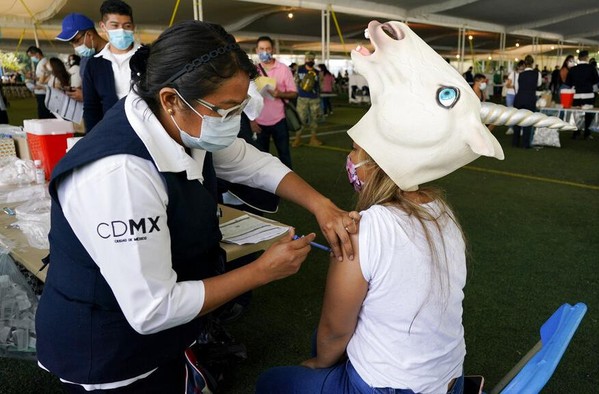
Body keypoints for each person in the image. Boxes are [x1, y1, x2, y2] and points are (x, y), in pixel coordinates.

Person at [35, 20, 359, 392]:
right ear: (172, 99)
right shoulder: (120, 174)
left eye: (239, 107)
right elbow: (153, 309)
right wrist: (261, 272)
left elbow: (252, 162)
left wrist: (322, 205)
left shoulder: (181, 121)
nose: (233, 121)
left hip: (166, 337)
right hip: (109, 350)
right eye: (225, 109)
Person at [256, 19, 504, 394]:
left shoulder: (366, 229)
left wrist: (319, 363)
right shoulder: (442, 211)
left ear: (374, 165)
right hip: (445, 382)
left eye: (356, 150)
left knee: (272, 382)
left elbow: (335, 330)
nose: (350, 157)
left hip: (385, 387)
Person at [82, 0, 140, 132]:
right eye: (115, 26)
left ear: (133, 27)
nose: (122, 31)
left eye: (127, 26)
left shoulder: (147, 58)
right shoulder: (95, 65)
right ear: (103, 26)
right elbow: (91, 107)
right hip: (111, 130)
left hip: (146, 131)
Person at [252, 35, 296, 169]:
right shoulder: (253, 70)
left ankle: (289, 187)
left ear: (273, 50)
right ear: (256, 50)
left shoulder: (283, 69)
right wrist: (251, 121)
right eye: (261, 49)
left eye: (268, 48)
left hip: (279, 120)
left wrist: (279, 94)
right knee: (261, 158)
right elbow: (247, 99)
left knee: (284, 156)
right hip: (258, 123)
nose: (265, 52)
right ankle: (264, 188)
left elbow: (294, 93)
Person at [55, 12, 108, 102]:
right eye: (71, 43)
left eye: (76, 41)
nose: (75, 47)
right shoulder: (85, 58)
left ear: (90, 35)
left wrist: (87, 97)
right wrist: (78, 90)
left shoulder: (113, 56)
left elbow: (118, 94)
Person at [566, 50, 599, 139]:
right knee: (589, 114)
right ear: (587, 57)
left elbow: (568, 82)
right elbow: (596, 80)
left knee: (576, 114)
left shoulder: (573, 69)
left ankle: (576, 132)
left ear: (579, 58)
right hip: (588, 93)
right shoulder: (591, 68)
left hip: (576, 94)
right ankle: (587, 133)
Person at [293, 52, 323, 147]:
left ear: (314, 60)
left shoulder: (317, 72)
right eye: (308, 59)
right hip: (302, 98)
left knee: (314, 119)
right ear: (305, 59)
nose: (309, 61)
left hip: (314, 99)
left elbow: (320, 86)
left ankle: (313, 138)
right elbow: (295, 81)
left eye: (311, 59)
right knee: (301, 118)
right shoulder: (299, 69)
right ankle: (298, 138)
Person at [512, 55, 541, 148]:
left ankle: (515, 142)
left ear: (524, 63)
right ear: (532, 63)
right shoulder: (537, 74)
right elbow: (539, 84)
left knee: (517, 121)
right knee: (528, 122)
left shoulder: (520, 74)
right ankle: (525, 144)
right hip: (530, 99)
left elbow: (516, 87)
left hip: (519, 98)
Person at [25, 46, 52, 119]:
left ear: (37, 54)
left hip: (43, 92)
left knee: (45, 114)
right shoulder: (41, 62)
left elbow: (47, 77)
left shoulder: (45, 62)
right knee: (42, 113)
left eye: (31, 56)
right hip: (40, 91)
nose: (31, 58)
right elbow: (41, 77)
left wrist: (32, 78)